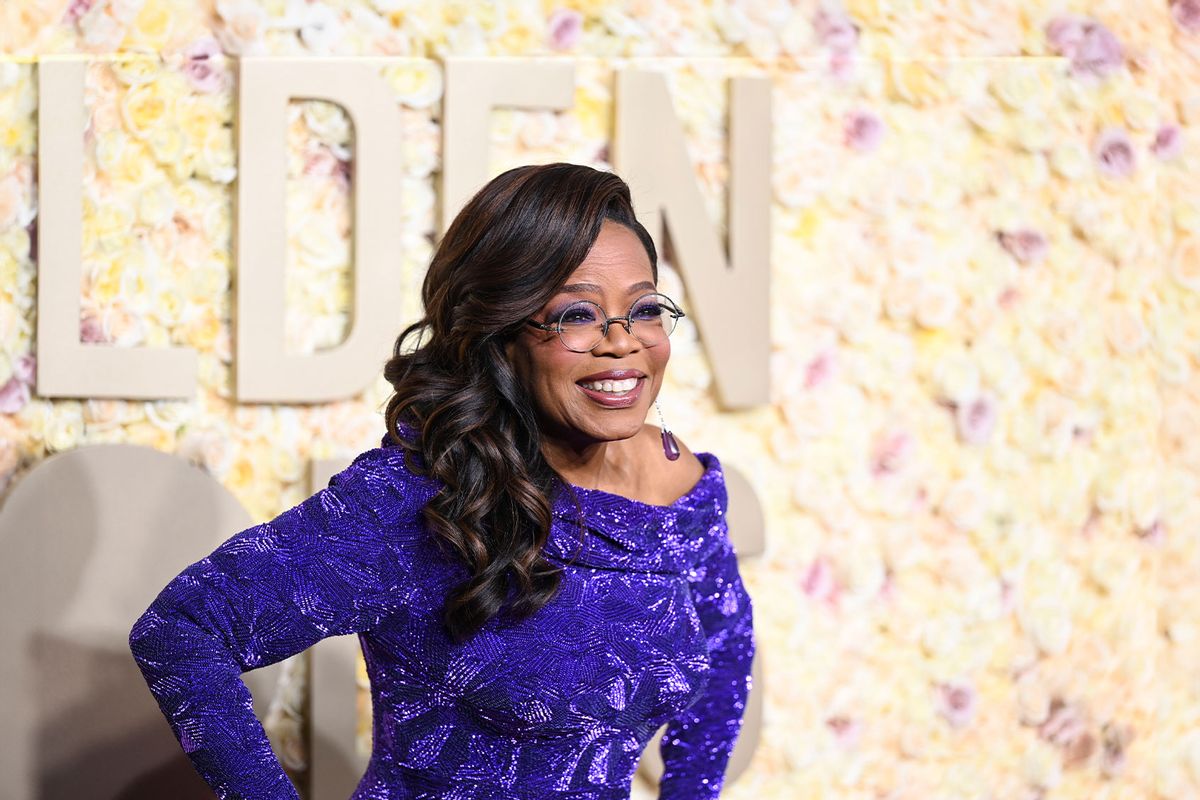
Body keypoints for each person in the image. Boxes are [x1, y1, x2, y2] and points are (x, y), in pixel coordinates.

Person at [128, 162, 756, 799]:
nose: (622, 343)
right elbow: (184, 630)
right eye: (576, 315)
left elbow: (725, 653)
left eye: (644, 309)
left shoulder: (682, 487)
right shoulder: (420, 499)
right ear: (501, 330)